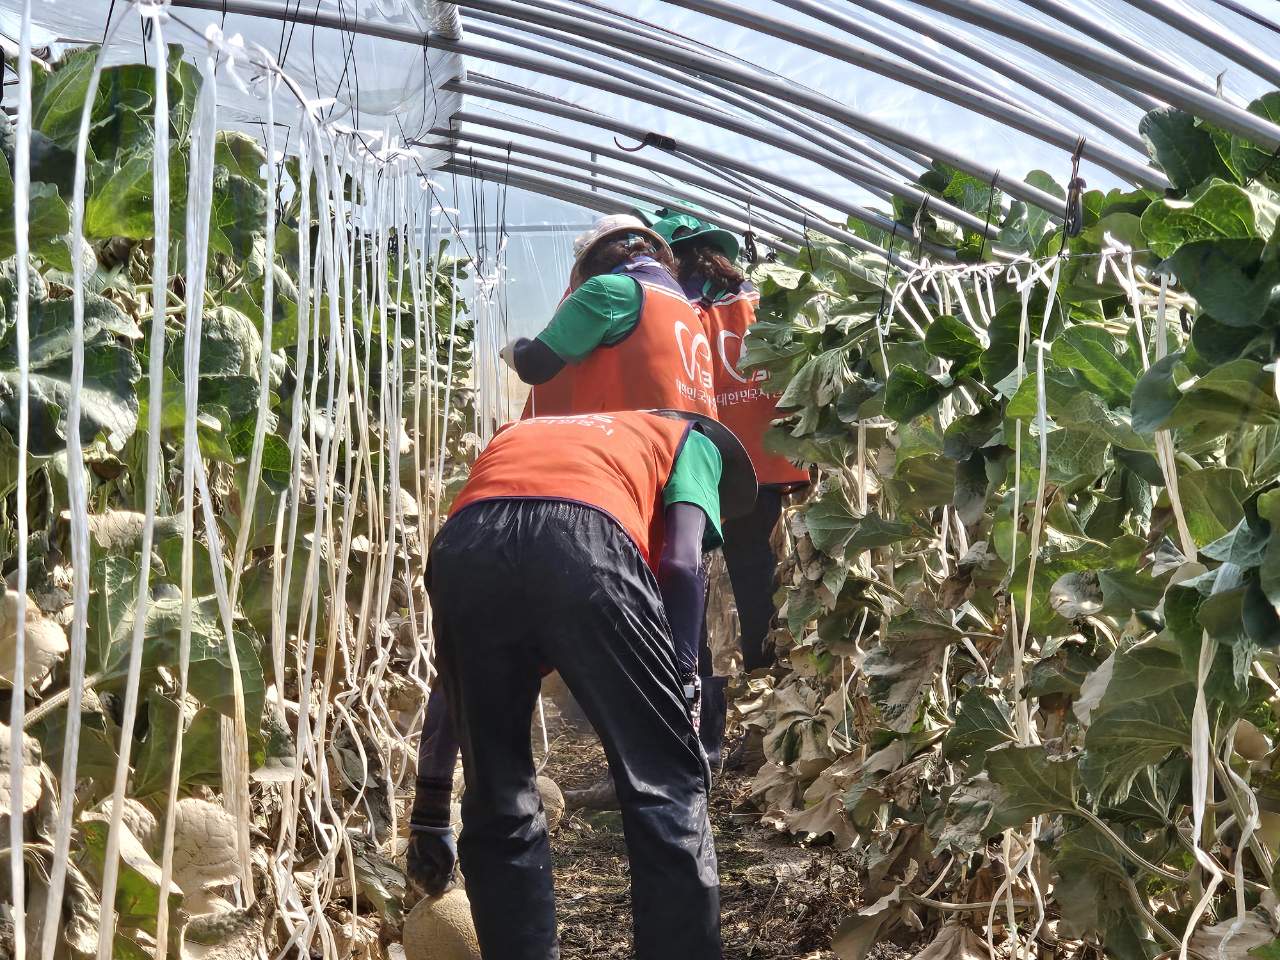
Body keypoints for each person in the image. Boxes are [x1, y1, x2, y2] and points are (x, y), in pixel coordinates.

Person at [408, 409, 756, 960]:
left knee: (497, 789)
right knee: (664, 782)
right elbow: (685, 564)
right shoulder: (695, 442)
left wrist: (430, 807)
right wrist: (684, 686)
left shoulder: (528, 436)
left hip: (464, 549)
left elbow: (451, 680)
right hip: (584, 541)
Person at [654, 212, 811, 769]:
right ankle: (770, 723)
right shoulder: (763, 303)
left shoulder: (680, 312)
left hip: (709, 469)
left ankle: (711, 734)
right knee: (761, 596)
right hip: (768, 472)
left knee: (708, 605)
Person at [505, 213, 717, 419]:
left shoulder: (607, 289)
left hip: (637, 444)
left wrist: (514, 349)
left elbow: (535, 365)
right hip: (689, 442)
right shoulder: (683, 302)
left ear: (594, 259)